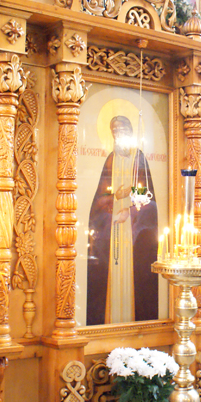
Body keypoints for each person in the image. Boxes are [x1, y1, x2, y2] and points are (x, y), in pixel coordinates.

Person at [87, 116, 158, 325]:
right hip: (112, 222)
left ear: (130, 132)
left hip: (136, 222)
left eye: (123, 130)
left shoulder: (139, 158)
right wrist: (108, 199)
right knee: (106, 265)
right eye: (115, 131)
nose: (119, 134)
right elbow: (101, 193)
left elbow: (148, 193)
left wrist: (128, 204)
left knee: (137, 271)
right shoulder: (110, 158)